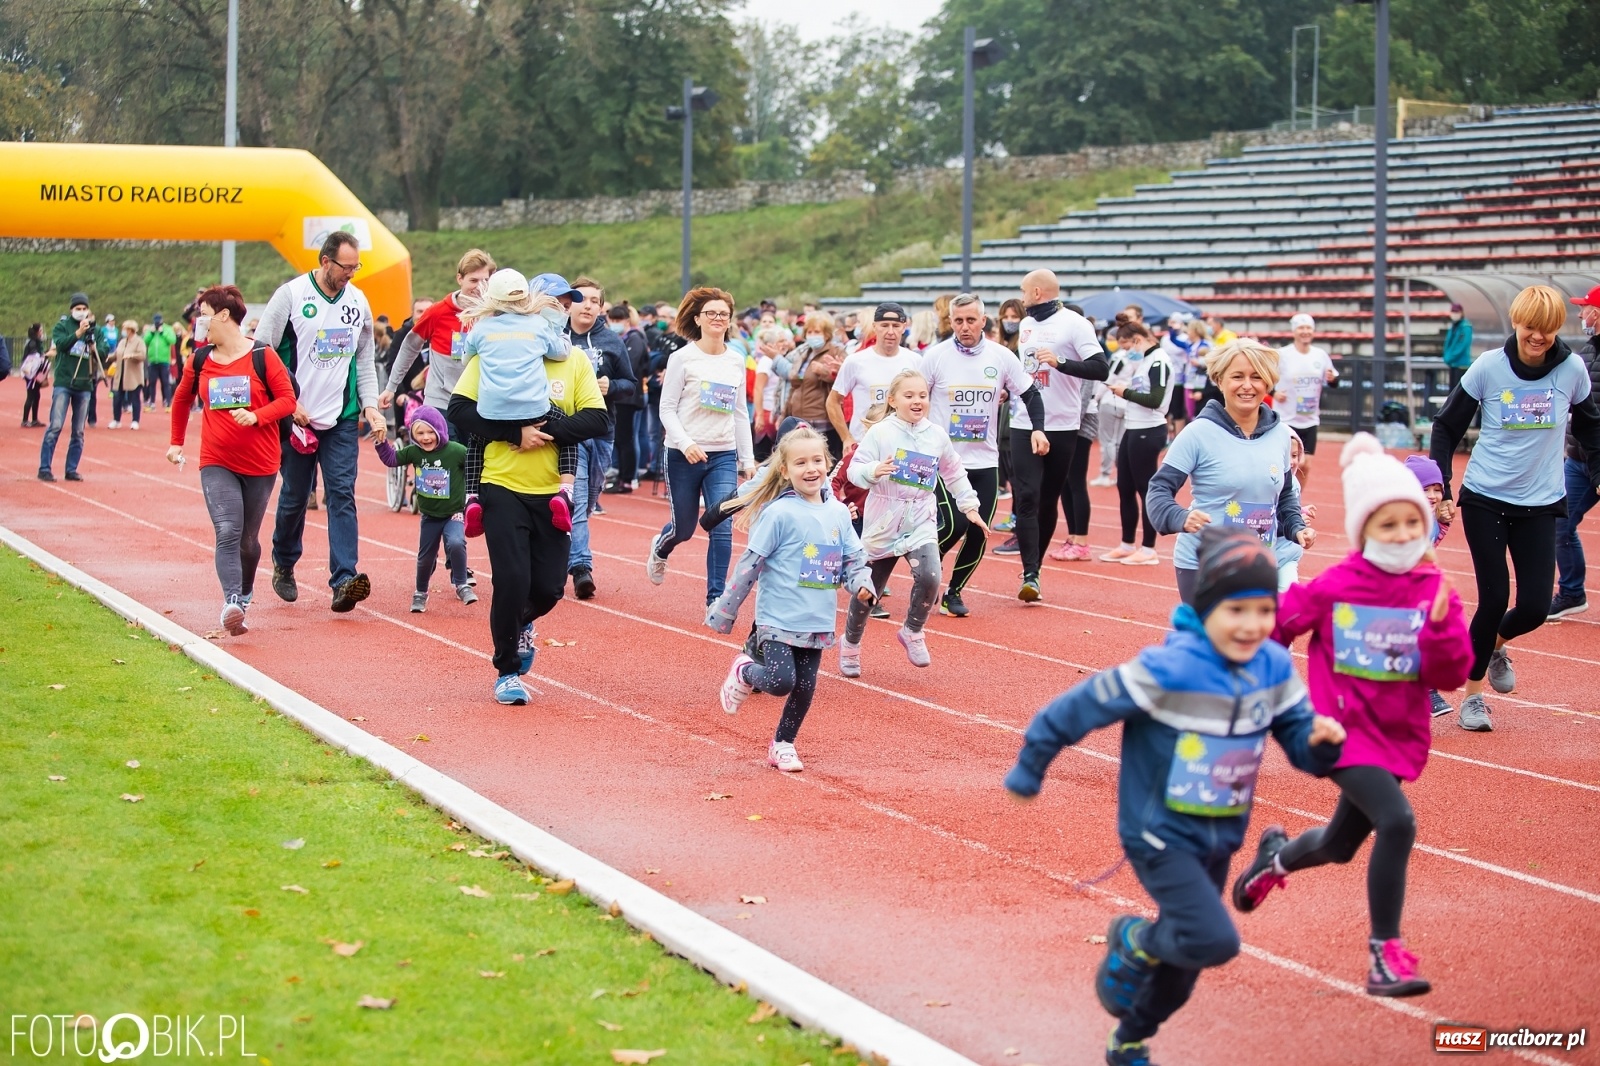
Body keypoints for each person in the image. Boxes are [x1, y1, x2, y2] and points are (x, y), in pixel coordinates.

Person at [1005, 525, 1346, 1066]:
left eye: (1264, 610)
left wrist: (1321, 744)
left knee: (1185, 970)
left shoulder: (1273, 667)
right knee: (1215, 941)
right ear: (1205, 606)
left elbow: (1301, 749)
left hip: (1220, 836)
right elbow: (1078, 707)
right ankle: (1135, 938)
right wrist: (1031, 765)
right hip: (1158, 834)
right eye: (1237, 611)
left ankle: (1129, 1041)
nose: (1253, 625)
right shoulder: (1168, 670)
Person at [1234, 434, 1471, 998]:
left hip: (1398, 735)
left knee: (1341, 845)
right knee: (1398, 823)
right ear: (1365, 531)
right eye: (1388, 526)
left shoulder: (1434, 591)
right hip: (1339, 734)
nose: (1402, 536)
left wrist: (1438, 628)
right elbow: (1277, 626)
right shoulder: (1338, 584)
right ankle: (1384, 956)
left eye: (1411, 524)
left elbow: (1451, 676)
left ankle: (1273, 861)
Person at [1428, 284, 1600, 732]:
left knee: (1535, 608)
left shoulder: (1572, 371)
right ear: (1517, 324)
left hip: (1541, 502)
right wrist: (1441, 486)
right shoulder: (1489, 367)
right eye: (1529, 328)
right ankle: (1473, 697)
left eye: (1545, 330)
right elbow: (1446, 426)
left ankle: (1498, 644)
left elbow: (1591, 429)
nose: (1537, 338)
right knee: (1494, 598)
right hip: (1486, 498)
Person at [706, 425, 874, 772]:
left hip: (817, 618)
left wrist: (863, 584)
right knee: (783, 681)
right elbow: (749, 565)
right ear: (784, 470)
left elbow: (853, 560)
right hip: (777, 617)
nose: (810, 468)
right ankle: (745, 670)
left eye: (816, 460)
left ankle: (783, 744)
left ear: (828, 464)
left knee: (805, 687)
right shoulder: (778, 513)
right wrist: (726, 611)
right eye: (800, 463)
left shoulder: (839, 514)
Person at [255, 230, 385, 613]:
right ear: (325, 262)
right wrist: (285, 402)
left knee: (342, 493)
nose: (352, 274)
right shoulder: (291, 296)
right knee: (296, 495)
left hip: (340, 417)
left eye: (356, 267)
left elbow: (363, 359)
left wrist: (370, 405)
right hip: (296, 417)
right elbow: (262, 351)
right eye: (346, 267)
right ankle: (284, 562)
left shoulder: (358, 301)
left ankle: (344, 579)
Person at [165, 285, 298, 635]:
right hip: (216, 459)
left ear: (223, 315)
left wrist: (256, 416)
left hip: (261, 462)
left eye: (203, 313)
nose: (198, 321)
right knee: (227, 530)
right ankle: (232, 602)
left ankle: (246, 591)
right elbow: (181, 400)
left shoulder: (263, 356)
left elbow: (287, 401)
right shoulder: (200, 359)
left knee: (248, 541)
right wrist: (176, 443)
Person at [839, 371, 985, 675]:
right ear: (893, 400)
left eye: (922, 395)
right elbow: (854, 470)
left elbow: (955, 472)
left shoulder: (936, 435)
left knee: (932, 576)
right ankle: (851, 643)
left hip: (920, 517)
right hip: (884, 518)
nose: (917, 401)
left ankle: (913, 630)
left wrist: (970, 506)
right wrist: (874, 470)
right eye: (909, 396)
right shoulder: (880, 433)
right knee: (868, 591)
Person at [1147, 340, 1314, 606]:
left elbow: (1284, 496)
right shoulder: (1197, 433)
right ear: (1220, 380)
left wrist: (1296, 527)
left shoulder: (1282, 435)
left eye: (1257, 377)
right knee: (1212, 643)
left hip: (1259, 561)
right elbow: (1159, 489)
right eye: (1237, 376)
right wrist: (1179, 516)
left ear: (1268, 383)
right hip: (1204, 562)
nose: (1247, 385)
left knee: (1260, 640)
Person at [922, 293, 1045, 616]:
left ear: (983, 320)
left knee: (980, 531)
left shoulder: (1001, 356)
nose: (964, 326)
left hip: (985, 460)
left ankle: (953, 592)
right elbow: (914, 400)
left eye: (970, 320)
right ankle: (922, 562)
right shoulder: (935, 357)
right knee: (956, 525)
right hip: (944, 461)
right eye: (958, 321)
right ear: (951, 322)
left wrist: (1038, 428)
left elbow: (1031, 394)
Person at [647, 287, 756, 605]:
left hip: (722, 454)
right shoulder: (682, 359)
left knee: (721, 526)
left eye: (724, 314)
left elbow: (739, 413)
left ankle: (716, 599)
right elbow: (666, 409)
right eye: (711, 313)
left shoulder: (736, 361)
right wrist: (686, 442)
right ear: (698, 318)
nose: (718, 318)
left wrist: (747, 459)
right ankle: (661, 547)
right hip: (683, 455)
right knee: (684, 528)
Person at [1007, 275, 1109, 597]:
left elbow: (1100, 369)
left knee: (1049, 499)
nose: (1021, 297)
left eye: (1024, 291)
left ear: (1036, 291)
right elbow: (1021, 371)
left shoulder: (1075, 324)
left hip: (1063, 425)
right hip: (1023, 422)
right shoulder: (1025, 325)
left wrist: (1061, 362)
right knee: (1026, 496)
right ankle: (1030, 573)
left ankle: (1035, 570)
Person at [563, 276, 635, 599]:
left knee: (589, 500)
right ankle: (581, 567)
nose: (589, 305)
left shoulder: (610, 341)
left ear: (601, 307)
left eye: (595, 301)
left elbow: (631, 384)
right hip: (568, 430)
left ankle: (570, 547)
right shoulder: (556, 337)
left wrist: (611, 387)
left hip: (603, 431)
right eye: (583, 299)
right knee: (576, 501)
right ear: (570, 303)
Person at [374, 405, 477, 613]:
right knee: (425, 558)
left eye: (431, 432)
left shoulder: (456, 451)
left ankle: (461, 584)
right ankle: (421, 592)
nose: (426, 437)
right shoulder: (414, 452)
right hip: (430, 516)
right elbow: (391, 459)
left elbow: (476, 464)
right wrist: (381, 441)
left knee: (456, 543)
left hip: (454, 513)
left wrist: (473, 495)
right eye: (420, 433)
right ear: (412, 434)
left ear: (440, 430)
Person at [1099, 313, 1177, 566]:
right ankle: (1126, 543)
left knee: (1146, 490)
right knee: (1124, 486)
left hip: (1149, 428)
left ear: (1137, 340)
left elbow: (1155, 400)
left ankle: (1149, 548)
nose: (1126, 352)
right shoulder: (1144, 361)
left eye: (1126, 346)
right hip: (1133, 427)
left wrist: (1125, 392)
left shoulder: (1158, 362)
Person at [1551, 285, 1600, 621]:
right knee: (1558, 522)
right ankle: (1571, 592)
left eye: (1585, 309)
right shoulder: (1587, 351)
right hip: (1579, 459)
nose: (1581, 315)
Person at [828, 302, 922, 453]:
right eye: (884, 325)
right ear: (874, 326)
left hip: (904, 446)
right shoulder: (855, 361)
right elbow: (832, 402)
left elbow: (923, 402)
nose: (890, 331)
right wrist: (846, 437)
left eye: (896, 326)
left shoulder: (915, 361)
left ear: (904, 328)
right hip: (864, 445)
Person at [39, 292, 103, 483]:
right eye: (78, 309)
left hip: (84, 385)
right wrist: (78, 333)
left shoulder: (95, 330)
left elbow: (104, 351)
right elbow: (60, 345)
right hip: (64, 382)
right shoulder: (62, 326)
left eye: (84, 309)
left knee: (78, 431)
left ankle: (71, 469)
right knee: (56, 425)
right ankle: (44, 467)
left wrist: (94, 347)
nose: (81, 312)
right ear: (71, 310)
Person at [1274, 313, 1338, 483]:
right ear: (1294, 331)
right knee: (1287, 463)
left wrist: (1332, 379)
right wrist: (1273, 392)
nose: (1305, 331)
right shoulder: (1283, 355)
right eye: (1301, 328)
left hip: (1310, 419)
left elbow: (1333, 380)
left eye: (1308, 328)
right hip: (1286, 418)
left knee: (1305, 466)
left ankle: (1296, 503)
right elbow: (1265, 376)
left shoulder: (1320, 355)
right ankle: (1281, 499)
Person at [783, 311, 846, 457]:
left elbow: (844, 381)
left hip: (822, 420)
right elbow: (795, 385)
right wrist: (785, 414)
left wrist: (824, 372)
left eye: (816, 331)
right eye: (809, 332)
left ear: (826, 334)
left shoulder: (836, 351)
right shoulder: (805, 353)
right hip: (799, 418)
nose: (812, 335)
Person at [607, 302, 650, 493]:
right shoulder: (619, 338)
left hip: (629, 396)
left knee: (627, 438)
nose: (615, 323)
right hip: (619, 395)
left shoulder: (635, 338)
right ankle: (623, 475)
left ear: (626, 320)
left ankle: (627, 478)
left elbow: (629, 365)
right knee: (621, 437)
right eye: (612, 320)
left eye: (619, 320)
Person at [107, 319, 147, 430]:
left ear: (130, 330)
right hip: (120, 375)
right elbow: (117, 353)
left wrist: (131, 355)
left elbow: (142, 355)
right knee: (117, 398)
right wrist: (110, 356)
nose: (123, 331)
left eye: (125, 329)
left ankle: (135, 421)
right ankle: (116, 420)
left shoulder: (139, 341)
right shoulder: (122, 341)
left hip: (133, 376)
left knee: (134, 398)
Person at [143, 313, 178, 412]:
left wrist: (163, 333)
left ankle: (167, 402)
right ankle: (152, 402)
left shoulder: (167, 328)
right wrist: (152, 333)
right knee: (152, 382)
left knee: (165, 382)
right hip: (153, 360)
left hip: (164, 360)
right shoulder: (151, 329)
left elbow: (172, 340)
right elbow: (145, 340)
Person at [1440, 303, 1474, 393]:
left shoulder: (1465, 327)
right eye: (1453, 311)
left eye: (1456, 312)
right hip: (1453, 364)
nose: (1454, 314)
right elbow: (1448, 343)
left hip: (1461, 365)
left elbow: (1462, 345)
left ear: (1461, 313)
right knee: (1452, 392)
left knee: (1458, 392)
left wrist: (1449, 357)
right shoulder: (1454, 326)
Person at [20, 324, 49, 427]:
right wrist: (45, 355)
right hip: (31, 373)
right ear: (36, 332)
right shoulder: (32, 342)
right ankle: (24, 420)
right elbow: (33, 357)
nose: (42, 332)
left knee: (36, 395)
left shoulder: (37, 342)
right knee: (31, 395)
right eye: (40, 330)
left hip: (37, 372)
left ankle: (35, 419)